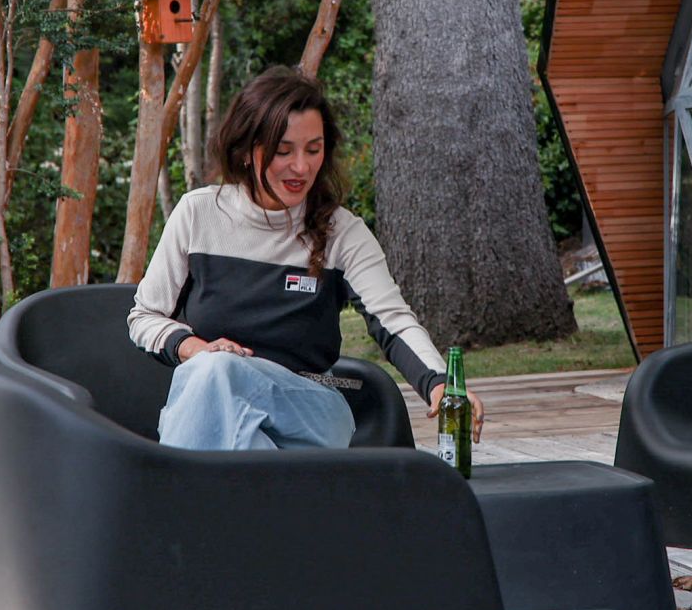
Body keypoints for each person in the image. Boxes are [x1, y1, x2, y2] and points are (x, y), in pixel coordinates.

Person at [128, 66, 485, 450]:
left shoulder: (342, 232)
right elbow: (144, 317)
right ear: (247, 152)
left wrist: (439, 384)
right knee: (233, 418)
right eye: (284, 151)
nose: (302, 167)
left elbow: (394, 322)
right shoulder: (198, 214)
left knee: (216, 376)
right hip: (214, 400)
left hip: (311, 408)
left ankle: (172, 490)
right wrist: (194, 347)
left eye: (313, 150)